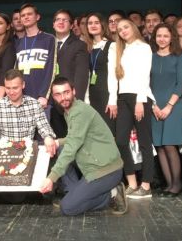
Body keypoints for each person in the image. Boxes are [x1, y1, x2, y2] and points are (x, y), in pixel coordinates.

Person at [39, 77, 127, 216]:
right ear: (53, 97)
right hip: (93, 166)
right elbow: (75, 137)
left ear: (73, 91)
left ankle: (111, 194)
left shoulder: (79, 112)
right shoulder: (71, 111)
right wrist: (56, 142)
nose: (63, 97)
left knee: (67, 208)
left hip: (105, 171)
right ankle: (74, 193)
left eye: (66, 92)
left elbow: (72, 146)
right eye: (58, 94)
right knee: (60, 148)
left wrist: (51, 178)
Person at [107, 19, 154, 199]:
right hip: (122, 98)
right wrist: (112, 100)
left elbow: (144, 75)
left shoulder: (143, 47)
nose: (123, 31)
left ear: (133, 27)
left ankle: (147, 185)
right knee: (120, 141)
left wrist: (140, 101)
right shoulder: (116, 48)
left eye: (126, 27)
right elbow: (112, 76)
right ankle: (132, 183)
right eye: (119, 29)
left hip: (139, 97)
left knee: (144, 141)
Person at [149, 23, 182, 197]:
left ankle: (177, 184)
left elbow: (180, 83)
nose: (162, 39)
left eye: (166, 36)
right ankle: (168, 184)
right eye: (159, 35)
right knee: (159, 145)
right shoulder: (150, 56)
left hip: (173, 105)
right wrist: (153, 105)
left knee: (169, 144)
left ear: (171, 38)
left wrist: (168, 106)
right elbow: (146, 82)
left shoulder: (178, 57)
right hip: (154, 105)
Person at [0, 69, 57, 154]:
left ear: (23, 85)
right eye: (8, 88)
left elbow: (44, 127)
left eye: (15, 88)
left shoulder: (34, 104)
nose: (11, 92)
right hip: (5, 154)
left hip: (28, 153)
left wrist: (48, 138)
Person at [14, 3, 56, 118]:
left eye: (29, 14)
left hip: (41, 100)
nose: (26, 17)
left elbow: (51, 69)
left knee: (42, 136)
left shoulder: (49, 39)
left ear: (37, 17)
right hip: (22, 100)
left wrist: (44, 95)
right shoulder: (19, 43)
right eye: (23, 15)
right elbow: (16, 72)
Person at [51, 9, 89, 137]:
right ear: (53, 24)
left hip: (69, 101)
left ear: (72, 25)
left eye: (65, 20)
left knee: (72, 139)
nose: (61, 22)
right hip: (51, 102)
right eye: (57, 19)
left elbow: (81, 76)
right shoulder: (48, 45)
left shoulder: (79, 45)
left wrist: (76, 101)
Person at [83, 13, 114, 134]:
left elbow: (113, 74)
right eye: (90, 23)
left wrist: (112, 101)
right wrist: (86, 99)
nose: (93, 25)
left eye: (96, 22)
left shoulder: (111, 45)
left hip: (106, 93)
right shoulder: (87, 47)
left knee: (109, 132)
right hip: (92, 93)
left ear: (102, 25)